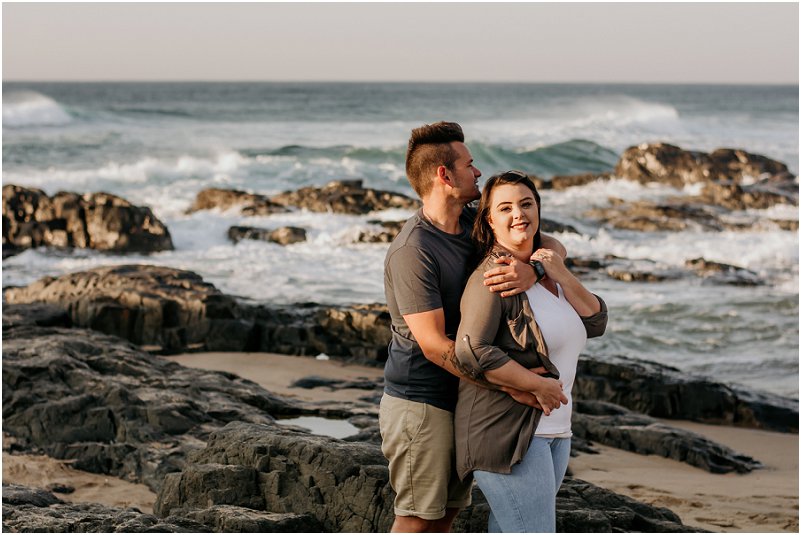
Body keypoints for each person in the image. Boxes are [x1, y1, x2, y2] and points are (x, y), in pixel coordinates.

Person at [380, 123, 567, 533]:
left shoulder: (470, 225)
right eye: (468, 164)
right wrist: (512, 384)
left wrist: (533, 271)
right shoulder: (414, 251)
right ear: (444, 175)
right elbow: (434, 345)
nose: (478, 171)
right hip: (422, 401)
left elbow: (550, 244)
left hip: (466, 398)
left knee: (446, 516)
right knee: (417, 520)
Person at [454, 170, 608, 533]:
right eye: (505, 208)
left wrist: (556, 272)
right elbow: (470, 350)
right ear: (490, 220)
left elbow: (596, 322)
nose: (518, 214)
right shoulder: (494, 277)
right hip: (507, 432)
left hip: (555, 432)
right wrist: (535, 385)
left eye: (526, 204)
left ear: (538, 208)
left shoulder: (547, 269)